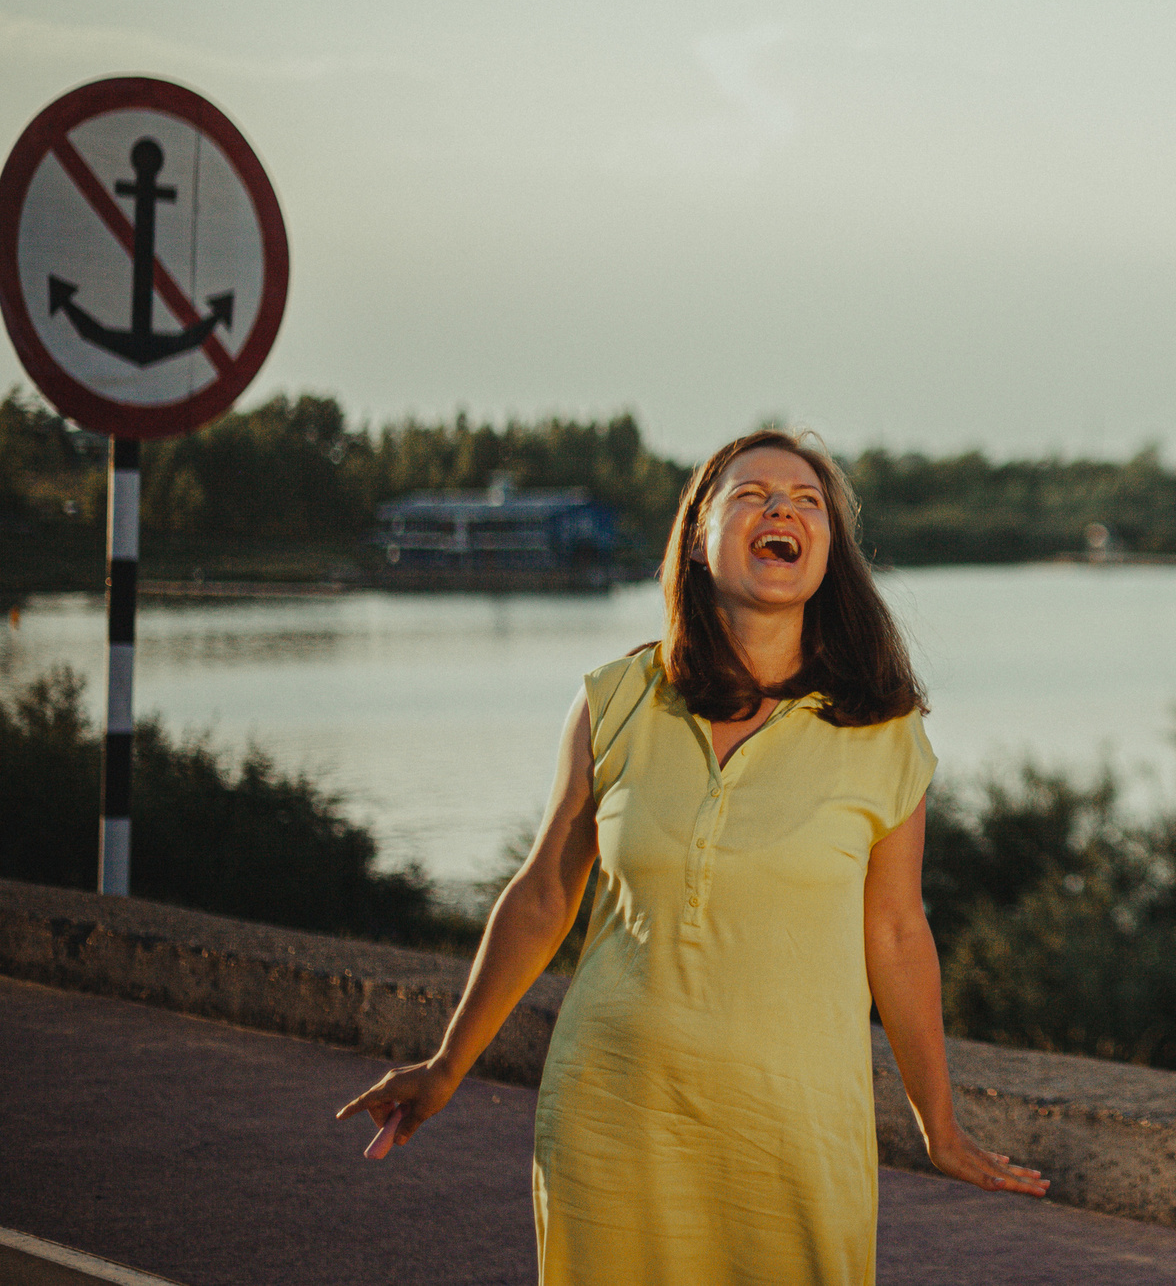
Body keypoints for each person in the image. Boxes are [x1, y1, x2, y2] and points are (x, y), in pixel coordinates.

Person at [336, 430, 1045, 1285]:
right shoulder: (619, 698)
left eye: (807, 499)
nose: (782, 506)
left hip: (795, 1138)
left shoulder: (882, 731)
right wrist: (447, 1064)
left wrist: (938, 1120)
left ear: (829, 553)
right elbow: (543, 894)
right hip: (612, 1119)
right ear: (699, 537)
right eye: (751, 493)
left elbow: (896, 932)